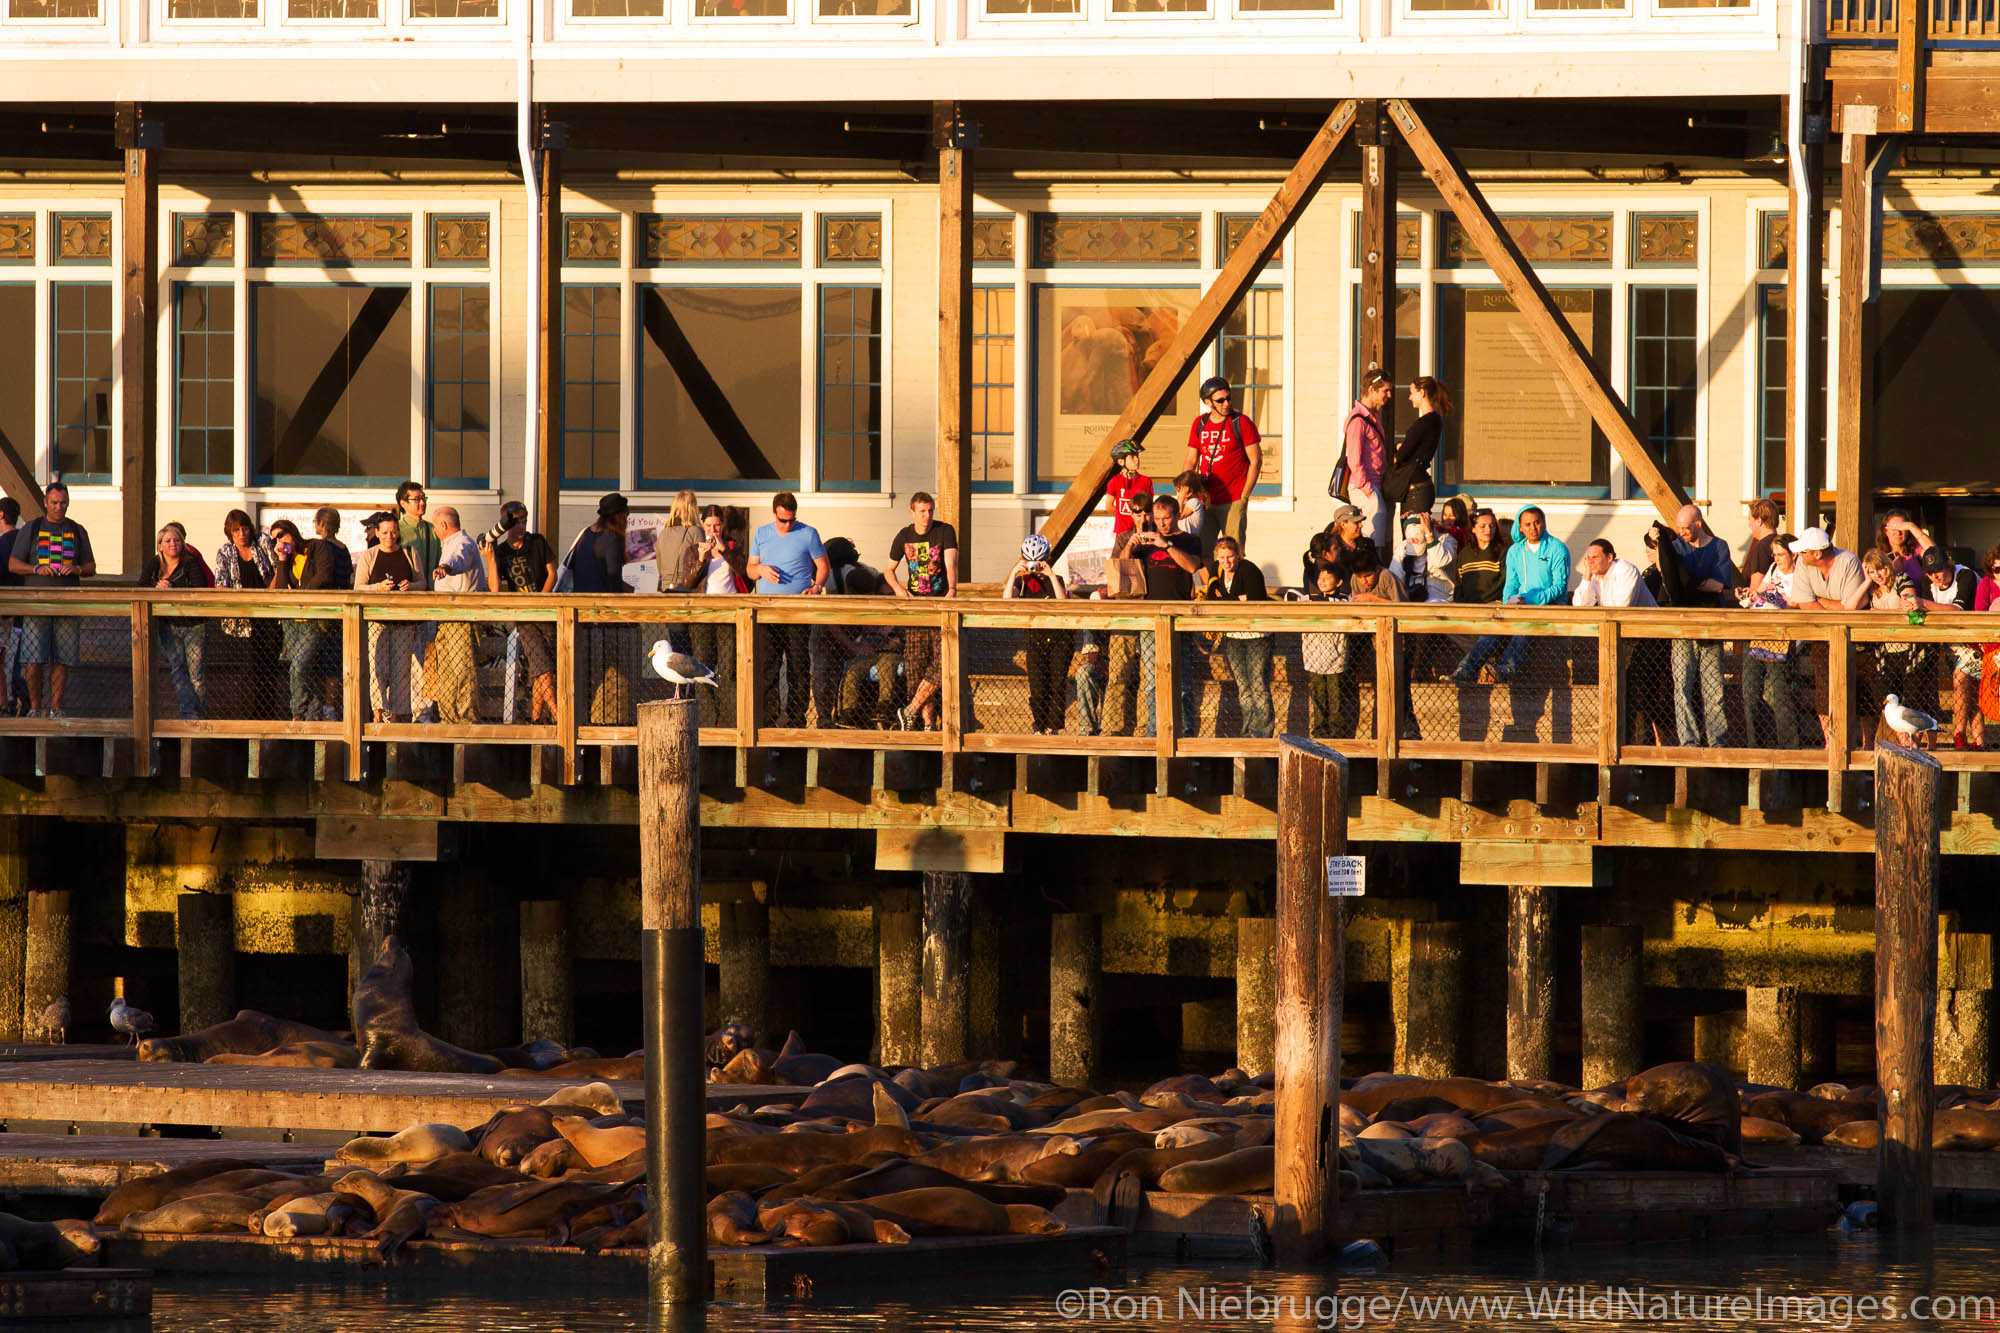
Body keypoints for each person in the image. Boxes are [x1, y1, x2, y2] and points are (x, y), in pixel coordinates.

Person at [9, 481, 96, 718]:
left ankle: (55, 708)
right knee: (32, 659)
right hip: (36, 604)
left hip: (67, 604)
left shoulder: (77, 530)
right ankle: (36, 708)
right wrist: (37, 568)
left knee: (63, 658)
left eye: (64, 503)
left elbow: (91, 566)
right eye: (55, 502)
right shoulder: (32, 528)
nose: (59, 507)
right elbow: (13, 564)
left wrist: (76, 569)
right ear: (46, 502)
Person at [1451, 506, 1564, 683]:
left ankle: (1505, 669)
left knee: (1523, 626)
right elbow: (1511, 583)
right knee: (1494, 627)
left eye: (1537, 522)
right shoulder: (1515, 551)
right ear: (1520, 527)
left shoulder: (1557, 548)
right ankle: (1465, 671)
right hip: (1520, 605)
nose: (1533, 528)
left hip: (1549, 605)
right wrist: (1507, 603)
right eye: (1527, 524)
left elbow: (1559, 586)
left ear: (1543, 523)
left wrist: (1531, 600)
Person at [747, 492, 828, 729]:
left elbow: (823, 566)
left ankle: (796, 717)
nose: (788, 524)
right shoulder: (762, 533)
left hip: (797, 610)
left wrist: (817, 587)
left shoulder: (808, 533)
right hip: (768, 611)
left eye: (791, 519)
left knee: (798, 665)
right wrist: (760, 569)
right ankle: (769, 718)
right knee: (768, 666)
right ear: (774, 514)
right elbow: (750, 569)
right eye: (783, 520)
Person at [1128, 494, 1202, 738]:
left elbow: (1192, 567)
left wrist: (1167, 545)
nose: (1161, 523)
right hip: (1150, 619)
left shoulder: (1189, 540)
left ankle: (1186, 733)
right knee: (1152, 684)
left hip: (1179, 619)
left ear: (1177, 516)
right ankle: (1154, 733)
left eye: (1166, 518)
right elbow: (1121, 571)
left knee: (1182, 683)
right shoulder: (1146, 542)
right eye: (1157, 519)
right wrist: (1131, 545)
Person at [1785, 527, 1869, 747]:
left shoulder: (1848, 561)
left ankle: (1863, 743)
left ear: (1818, 554)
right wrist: (1835, 605)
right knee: (1824, 689)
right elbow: (1805, 604)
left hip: (1856, 638)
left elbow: (1852, 606)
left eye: (1804, 552)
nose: (1799, 556)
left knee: (1861, 691)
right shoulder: (1804, 565)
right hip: (1822, 637)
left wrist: (1820, 601)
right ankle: (1831, 742)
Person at [669, 504, 749, 728]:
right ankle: (706, 722)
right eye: (709, 525)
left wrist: (725, 552)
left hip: (729, 614)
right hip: (703, 615)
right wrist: (702, 559)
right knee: (701, 667)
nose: (713, 530)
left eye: (717, 525)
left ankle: (729, 722)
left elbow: (746, 573)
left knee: (727, 669)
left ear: (723, 525)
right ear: (702, 525)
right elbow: (689, 582)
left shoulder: (733, 547)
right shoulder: (694, 549)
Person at [480, 501, 558, 726]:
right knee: (542, 666)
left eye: (524, 521)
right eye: (516, 523)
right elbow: (494, 589)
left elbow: (552, 572)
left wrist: (540, 600)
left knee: (543, 668)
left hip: (545, 613)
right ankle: (557, 714)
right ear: (505, 525)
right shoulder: (502, 551)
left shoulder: (537, 542)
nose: (521, 526)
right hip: (524, 618)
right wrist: (491, 559)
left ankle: (535, 718)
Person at [1670, 504, 1739, 748]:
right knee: (1682, 685)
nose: (1681, 533)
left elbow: (1719, 585)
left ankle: (1716, 741)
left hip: (1712, 625)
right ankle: (1688, 740)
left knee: (1714, 687)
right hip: (1682, 625)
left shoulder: (1719, 546)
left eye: (1686, 528)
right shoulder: (1676, 548)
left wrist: (1691, 583)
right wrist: (1696, 583)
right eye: (1678, 528)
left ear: (1698, 524)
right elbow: (1674, 581)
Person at [278, 507, 351, 723]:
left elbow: (324, 575)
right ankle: (327, 707)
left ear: (321, 524)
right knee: (329, 662)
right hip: (337, 608)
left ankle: (322, 707)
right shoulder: (343, 548)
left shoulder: (321, 546)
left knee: (316, 662)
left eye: (316, 522)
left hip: (320, 611)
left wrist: (302, 592)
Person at [354, 510, 427, 722]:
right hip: (377, 619)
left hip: (404, 620)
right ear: (377, 533)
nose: (390, 537)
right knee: (377, 666)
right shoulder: (369, 555)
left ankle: (398, 713)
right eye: (385, 532)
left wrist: (411, 586)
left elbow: (422, 583)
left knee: (402, 668)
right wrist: (378, 588)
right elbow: (358, 587)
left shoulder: (410, 552)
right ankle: (378, 710)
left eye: (393, 532)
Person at [1736, 533, 1805, 750]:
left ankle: (1789, 744)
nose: (1777, 558)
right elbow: (1761, 591)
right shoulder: (1773, 569)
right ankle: (1755, 743)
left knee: (1779, 691)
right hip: (1758, 631)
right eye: (1774, 554)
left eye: (1781, 554)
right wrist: (1749, 595)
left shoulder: (1800, 575)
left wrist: (1768, 597)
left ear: (1792, 554)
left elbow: (1794, 603)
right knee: (1750, 690)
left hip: (1781, 636)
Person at [573, 492, 636, 726]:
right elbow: (612, 578)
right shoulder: (610, 539)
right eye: (626, 515)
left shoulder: (586, 535)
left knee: (588, 674)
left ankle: (586, 716)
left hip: (582, 615)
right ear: (618, 516)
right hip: (604, 618)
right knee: (611, 676)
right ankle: (607, 720)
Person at [1200, 536, 1271, 738]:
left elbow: (1256, 598)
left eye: (1230, 556)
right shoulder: (1217, 569)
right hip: (1232, 633)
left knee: (1258, 684)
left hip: (1257, 634)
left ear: (1238, 555)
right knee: (1243, 686)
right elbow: (1211, 598)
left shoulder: (1250, 570)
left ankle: (1263, 731)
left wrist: (1230, 600)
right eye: (1222, 557)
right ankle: (1248, 729)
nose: (1226, 561)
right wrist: (1238, 599)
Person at [1913, 545, 1982, 751]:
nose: (1936, 576)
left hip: (1974, 641)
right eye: (1931, 572)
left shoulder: (1965, 575)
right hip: (1948, 643)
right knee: (1968, 691)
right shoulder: (1928, 582)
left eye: (1940, 570)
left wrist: (1922, 603)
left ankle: (1958, 734)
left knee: (1961, 680)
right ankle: (1979, 741)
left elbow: (1958, 610)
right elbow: (1925, 614)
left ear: (1949, 565)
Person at [141, 523, 212, 720]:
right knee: (178, 669)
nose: (173, 544)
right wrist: (156, 587)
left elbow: (200, 587)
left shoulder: (191, 562)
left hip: (194, 625)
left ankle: (197, 716)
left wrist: (173, 588)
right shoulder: (154, 564)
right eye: (168, 541)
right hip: (168, 625)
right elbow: (140, 586)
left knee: (196, 672)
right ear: (160, 545)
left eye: (177, 540)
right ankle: (188, 714)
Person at [423, 507, 486, 726]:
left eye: (434, 525)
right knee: (447, 672)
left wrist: (445, 568)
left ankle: (467, 719)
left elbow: (459, 559)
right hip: (445, 619)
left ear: (443, 525)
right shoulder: (448, 545)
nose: (434, 530)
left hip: (461, 618)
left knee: (463, 669)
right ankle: (449, 718)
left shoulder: (462, 543)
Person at [1183, 376, 1261, 551]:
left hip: (1233, 498)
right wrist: (1185, 493)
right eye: (1220, 400)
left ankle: (1232, 580)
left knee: (1232, 553)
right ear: (1207, 402)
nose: (1226, 403)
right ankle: (1210, 580)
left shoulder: (1241, 422)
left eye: (1228, 398)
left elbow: (1255, 461)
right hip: (1206, 499)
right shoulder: (1200, 424)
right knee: (1203, 551)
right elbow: (1190, 460)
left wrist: (1244, 496)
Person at [1003, 534, 1071, 735]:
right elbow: (1007, 601)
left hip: (1059, 638)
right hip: (1035, 638)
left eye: (1039, 563)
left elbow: (1062, 603)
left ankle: (1053, 727)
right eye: (1033, 564)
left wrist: (1050, 575)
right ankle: (1039, 726)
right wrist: (1014, 573)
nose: (1036, 569)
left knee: (1057, 684)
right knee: (1038, 686)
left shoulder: (1056, 579)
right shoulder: (1022, 582)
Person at [395, 482, 442, 724]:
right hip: (405, 603)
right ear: (403, 503)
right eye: (416, 499)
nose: (421, 503)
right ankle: (401, 709)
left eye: (424, 498)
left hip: (430, 602)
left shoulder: (432, 530)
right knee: (405, 658)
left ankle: (424, 711)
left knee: (428, 659)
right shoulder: (398, 530)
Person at [1385, 377, 1453, 520]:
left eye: (1412, 392)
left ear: (1422, 392)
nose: (1410, 397)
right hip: (1421, 486)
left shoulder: (1424, 423)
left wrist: (1398, 446)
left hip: (1415, 489)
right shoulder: (1435, 420)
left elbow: (1403, 454)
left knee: (1413, 536)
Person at [1343, 368, 1394, 550]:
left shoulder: (1373, 417)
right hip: (1366, 487)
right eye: (1385, 390)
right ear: (1372, 390)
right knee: (1371, 543)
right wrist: (1367, 490)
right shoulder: (1358, 421)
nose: (1389, 395)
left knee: (1378, 543)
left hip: (1376, 485)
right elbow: (1354, 459)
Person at [1297, 562, 1349, 739]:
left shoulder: (1344, 600)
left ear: (1339, 582)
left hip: (1336, 657)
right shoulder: (1309, 599)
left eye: (1328, 578)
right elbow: (1290, 596)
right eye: (1320, 577)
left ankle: (1337, 734)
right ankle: (1319, 733)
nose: (1323, 581)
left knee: (1336, 699)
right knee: (1318, 698)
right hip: (1314, 657)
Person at [1572, 538, 1656, 610]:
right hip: (1613, 624)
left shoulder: (1626, 570)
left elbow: (1622, 607)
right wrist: (1587, 576)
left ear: (1609, 558)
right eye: (1588, 558)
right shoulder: (1593, 574)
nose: (1590, 562)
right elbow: (1580, 606)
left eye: (1595, 557)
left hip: (1649, 623)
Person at [1397, 512, 1456, 605]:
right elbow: (1395, 576)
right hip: (1412, 597)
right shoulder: (1403, 546)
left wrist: (1428, 534)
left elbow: (1439, 562)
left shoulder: (1447, 541)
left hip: (1440, 598)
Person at [653, 490, 703, 596]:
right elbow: (701, 567)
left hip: (666, 589)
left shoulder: (663, 533)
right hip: (687, 591)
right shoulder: (695, 532)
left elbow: (660, 567)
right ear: (693, 508)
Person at [1105, 439, 1153, 540]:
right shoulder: (1114, 481)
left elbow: (1150, 507)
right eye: (1132, 457)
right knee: (1121, 555)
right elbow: (1109, 506)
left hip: (1142, 532)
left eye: (1137, 456)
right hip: (1122, 532)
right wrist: (1123, 517)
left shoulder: (1146, 481)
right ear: (1121, 461)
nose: (1137, 460)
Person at [0, 497, 21, 716]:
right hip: (26, 612)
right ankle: (14, 702)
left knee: (5, 662)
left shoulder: (2, 544)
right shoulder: (23, 541)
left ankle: (6, 704)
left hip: (5, 612)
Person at [1742, 497, 1782, 597]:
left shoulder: (1761, 547)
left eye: (1750, 520)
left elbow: (1756, 589)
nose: (1749, 525)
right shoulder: (1783, 543)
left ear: (1759, 521)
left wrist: (1744, 594)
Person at [1170, 472, 1206, 542]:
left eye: (1179, 491)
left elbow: (1179, 516)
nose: (1177, 494)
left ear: (1189, 492)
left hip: (1191, 540)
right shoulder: (1182, 503)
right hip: (1181, 538)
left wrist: (1181, 498)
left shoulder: (1194, 502)